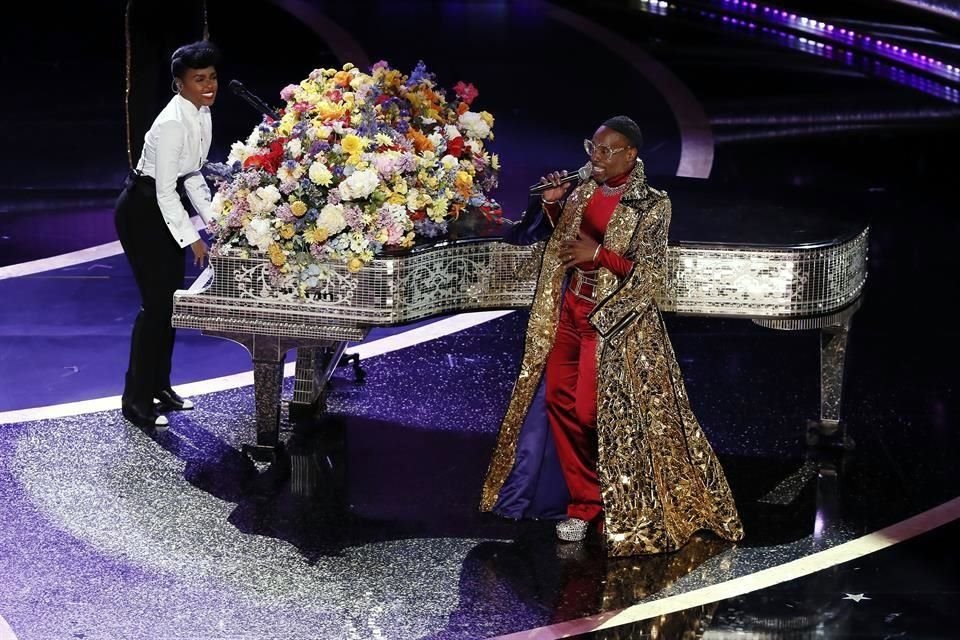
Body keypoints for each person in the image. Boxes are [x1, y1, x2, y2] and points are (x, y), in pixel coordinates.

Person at [480, 116, 744, 556]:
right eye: (593, 148)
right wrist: (553, 207)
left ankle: (618, 498)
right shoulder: (583, 189)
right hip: (569, 311)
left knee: (589, 412)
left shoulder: (651, 204)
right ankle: (584, 505)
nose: (596, 158)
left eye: (606, 151)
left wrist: (600, 254)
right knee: (558, 403)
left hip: (611, 321)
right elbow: (565, 243)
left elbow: (652, 274)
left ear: (630, 154)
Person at [114, 40, 220, 428]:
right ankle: (136, 400)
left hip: (163, 205)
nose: (208, 86)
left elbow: (191, 175)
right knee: (156, 306)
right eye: (199, 79)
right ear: (180, 83)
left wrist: (217, 223)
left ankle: (160, 386)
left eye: (211, 77)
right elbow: (163, 191)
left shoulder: (202, 112)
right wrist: (193, 237)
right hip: (143, 211)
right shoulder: (173, 121)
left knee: (171, 305)